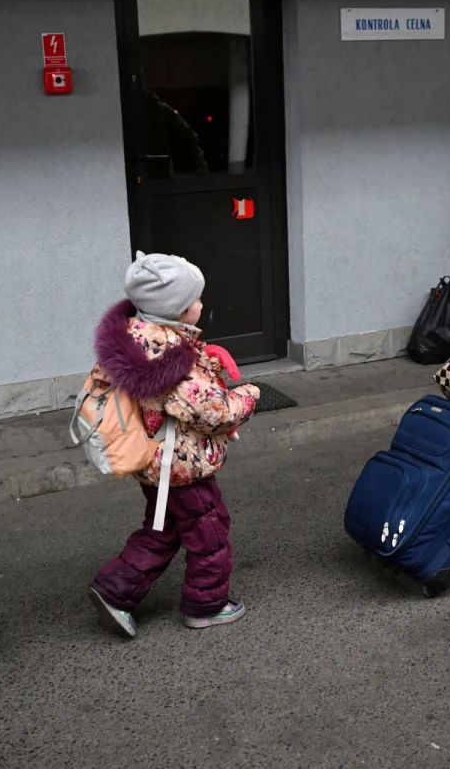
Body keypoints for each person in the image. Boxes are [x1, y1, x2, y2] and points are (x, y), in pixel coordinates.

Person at [87, 251, 260, 637]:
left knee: (163, 528)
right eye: (196, 300)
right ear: (178, 311)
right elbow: (212, 410)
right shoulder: (168, 357)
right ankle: (207, 604)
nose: (202, 304)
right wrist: (247, 395)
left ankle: (115, 590)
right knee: (209, 530)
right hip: (181, 464)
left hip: (158, 460)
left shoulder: (140, 337)